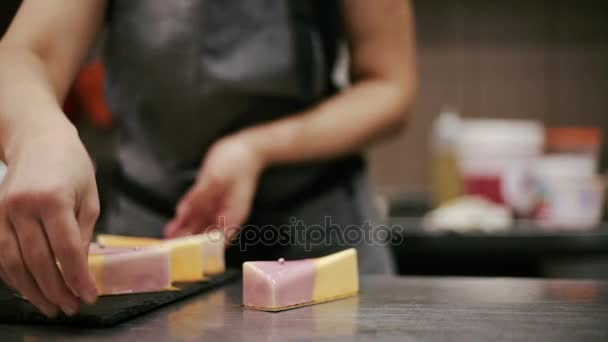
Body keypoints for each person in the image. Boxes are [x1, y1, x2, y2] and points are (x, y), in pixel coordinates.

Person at [0, 0, 416, 317]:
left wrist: (255, 148)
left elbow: (390, 86)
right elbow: (23, 54)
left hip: (318, 230)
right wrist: (37, 134)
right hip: (152, 232)